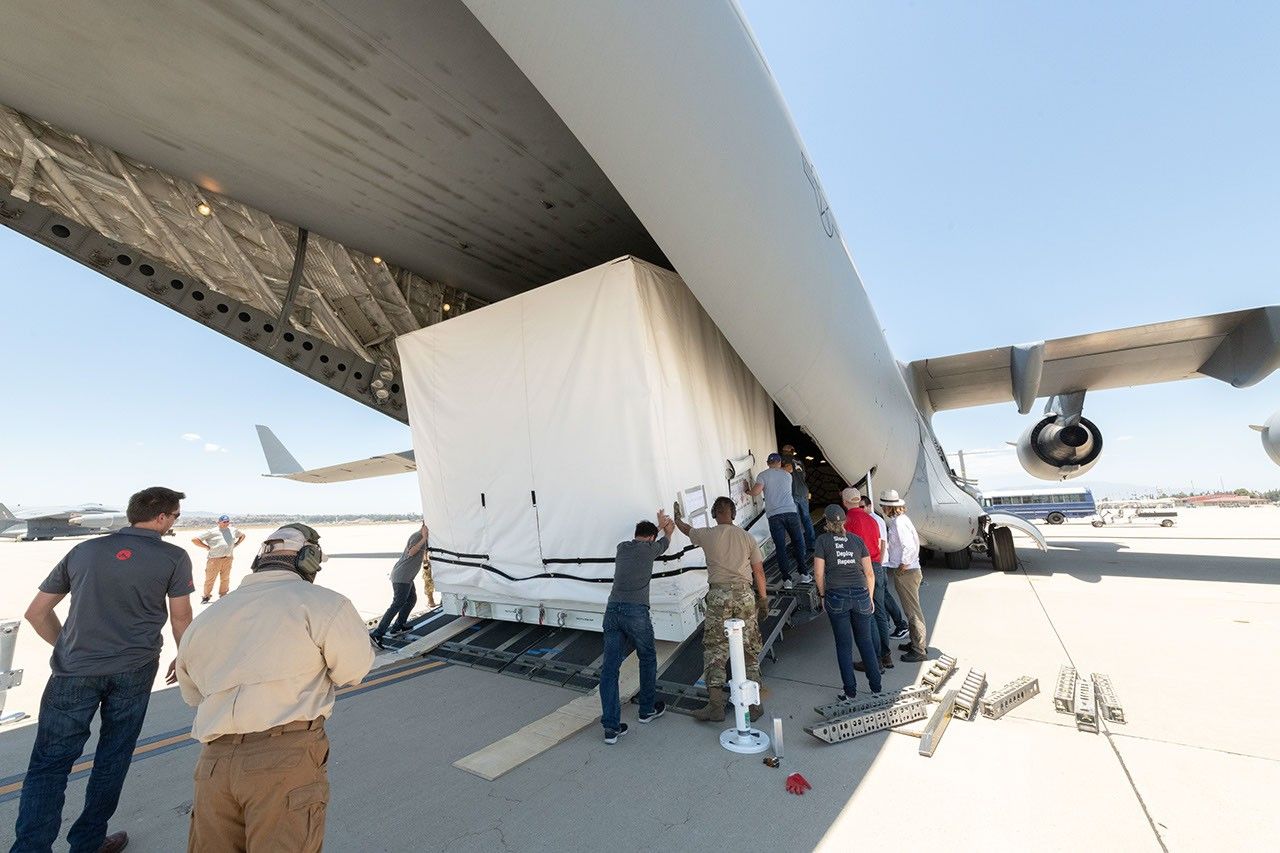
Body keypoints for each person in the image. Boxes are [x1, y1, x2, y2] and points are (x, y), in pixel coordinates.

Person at [13, 486, 194, 853]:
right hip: (134, 669)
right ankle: (88, 841)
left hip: (73, 671)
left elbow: (36, 613)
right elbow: (181, 617)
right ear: (161, 517)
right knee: (113, 758)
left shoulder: (84, 550)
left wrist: (68, 647)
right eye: (175, 516)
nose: (174, 522)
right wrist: (186, 656)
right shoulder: (173, 556)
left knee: (49, 765)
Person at [176, 524, 374, 853]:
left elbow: (192, 694)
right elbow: (353, 671)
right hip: (284, 759)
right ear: (310, 559)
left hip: (214, 764)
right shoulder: (324, 604)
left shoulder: (209, 618)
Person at [674, 497, 769, 723]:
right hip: (745, 596)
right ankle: (754, 704)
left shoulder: (707, 535)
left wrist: (677, 518)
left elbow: (686, 529)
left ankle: (715, 706)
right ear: (734, 514)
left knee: (715, 647)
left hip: (718, 596)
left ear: (715, 514)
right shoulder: (747, 538)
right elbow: (759, 572)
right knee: (749, 648)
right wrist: (763, 600)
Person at [598, 510, 674, 744]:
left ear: (635, 535)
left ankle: (611, 728)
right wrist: (667, 529)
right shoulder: (652, 549)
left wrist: (656, 528)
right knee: (647, 657)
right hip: (636, 612)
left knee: (610, 669)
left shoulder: (622, 547)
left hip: (612, 611)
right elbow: (665, 541)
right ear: (651, 538)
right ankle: (647, 710)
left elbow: (649, 540)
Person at [814, 504, 881, 700]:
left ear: (826, 522)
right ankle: (876, 689)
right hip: (861, 593)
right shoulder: (857, 540)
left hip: (837, 596)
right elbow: (869, 572)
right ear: (844, 521)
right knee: (866, 642)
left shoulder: (823, 541)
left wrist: (823, 596)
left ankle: (850, 692)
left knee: (844, 646)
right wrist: (869, 598)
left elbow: (818, 572)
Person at [840, 488, 893, 672]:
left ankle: (873, 660)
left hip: (861, 570)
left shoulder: (847, 522)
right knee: (879, 612)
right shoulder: (873, 520)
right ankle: (886, 656)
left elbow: (845, 550)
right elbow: (880, 543)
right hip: (877, 566)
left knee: (866, 616)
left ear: (845, 502)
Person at [881, 489, 929, 662]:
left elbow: (908, 546)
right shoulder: (902, 520)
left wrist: (903, 565)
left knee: (912, 612)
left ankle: (919, 649)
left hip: (907, 571)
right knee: (912, 610)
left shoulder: (899, 523)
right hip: (910, 570)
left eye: (883, 505)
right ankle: (916, 642)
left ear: (888, 507)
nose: (882, 508)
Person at [750, 453, 810, 588]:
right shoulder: (787, 475)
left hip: (774, 516)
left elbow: (756, 492)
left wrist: (748, 491)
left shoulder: (763, 475)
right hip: (790, 512)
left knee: (781, 547)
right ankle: (804, 574)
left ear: (767, 463)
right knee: (798, 542)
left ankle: (786, 579)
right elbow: (788, 470)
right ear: (779, 462)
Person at [370, 523, 429, 649]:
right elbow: (411, 552)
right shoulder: (418, 536)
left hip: (407, 577)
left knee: (411, 600)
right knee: (397, 603)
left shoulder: (423, 538)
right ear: (424, 526)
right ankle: (377, 634)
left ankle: (398, 627)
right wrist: (424, 538)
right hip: (402, 576)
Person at [862, 495, 910, 641]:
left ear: (869, 506)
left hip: (879, 564)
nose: (861, 509)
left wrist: (879, 563)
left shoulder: (876, 520)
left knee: (882, 597)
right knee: (883, 596)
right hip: (878, 563)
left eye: (863, 506)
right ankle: (894, 624)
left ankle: (899, 625)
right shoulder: (871, 520)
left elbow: (882, 543)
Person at [192, 514, 246, 604]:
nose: (226, 523)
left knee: (225, 578)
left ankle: (223, 595)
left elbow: (242, 536)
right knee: (210, 579)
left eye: (228, 522)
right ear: (219, 522)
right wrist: (206, 546)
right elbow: (195, 539)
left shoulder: (233, 530)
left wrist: (236, 544)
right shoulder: (212, 531)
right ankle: (206, 596)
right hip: (214, 559)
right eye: (224, 522)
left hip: (228, 558)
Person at [780, 446, 816, 555]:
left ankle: (801, 549)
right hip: (804, 492)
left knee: (796, 521)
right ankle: (812, 544)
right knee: (806, 519)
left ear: (785, 452)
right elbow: (803, 476)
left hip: (793, 492)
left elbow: (788, 469)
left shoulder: (785, 459)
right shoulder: (799, 461)